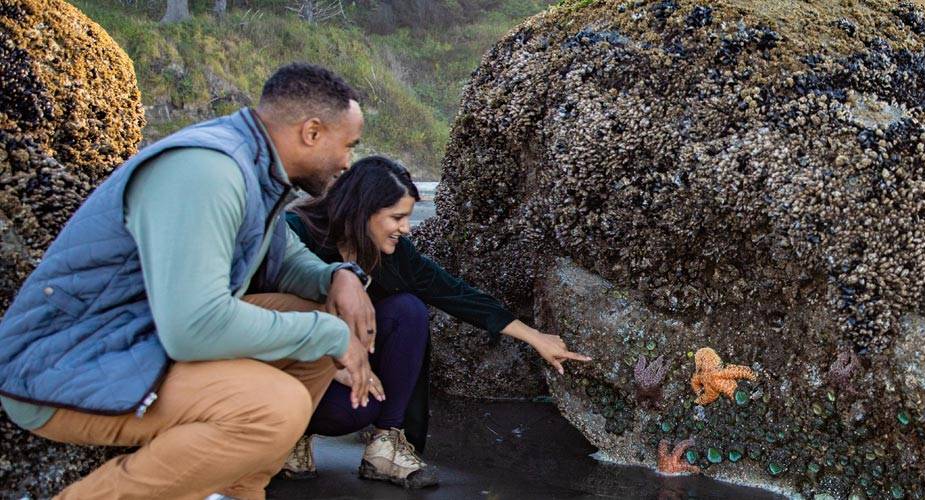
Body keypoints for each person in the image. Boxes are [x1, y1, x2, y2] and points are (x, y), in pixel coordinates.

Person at [0, 63, 380, 500]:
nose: (347, 163)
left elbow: (285, 262)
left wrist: (339, 278)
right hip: (62, 364)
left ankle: (236, 490)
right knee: (274, 407)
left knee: (314, 326)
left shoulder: (255, 167)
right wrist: (330, 333)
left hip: (139, 339)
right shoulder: (208, 171)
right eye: (348, 145)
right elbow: (194, 329)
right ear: (311, 132)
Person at [276, 155, 593, 488]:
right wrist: (330, 363)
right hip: (289, 367)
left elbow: (452, 292)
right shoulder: (295, 235)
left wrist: (534, 336)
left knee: (407, 310)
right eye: (397, 217)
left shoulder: (391, 253)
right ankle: (290, 438)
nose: (406, 228)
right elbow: (259, 312)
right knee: (347, 408)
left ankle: (387, 446)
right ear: (362, 210)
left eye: (408, 217)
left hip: (344, 365)